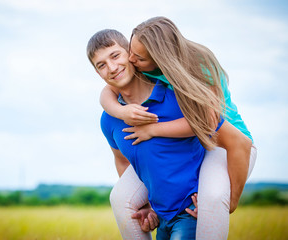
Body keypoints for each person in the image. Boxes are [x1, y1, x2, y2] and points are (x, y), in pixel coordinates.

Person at [99, 17, 257, 239]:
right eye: (130, 51)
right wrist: (121, 111)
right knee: (121, 197)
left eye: (139, 57)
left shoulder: (199, 65)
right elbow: (108, 90)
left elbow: (207, 124)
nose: (131, 60)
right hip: (198, 141)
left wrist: (229, 202)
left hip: (224, 143)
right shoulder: (147, 66)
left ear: (159, 57)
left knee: (210, 200)